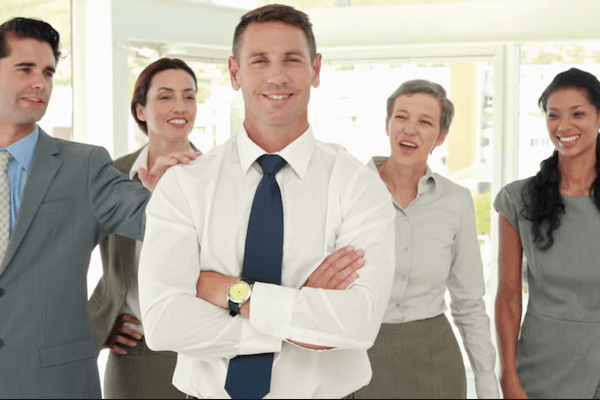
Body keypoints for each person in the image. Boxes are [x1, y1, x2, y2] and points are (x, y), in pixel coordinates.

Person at [138, 4, 396, 399]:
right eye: (259, 60)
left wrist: (231, 292)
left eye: (292, 60)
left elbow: (358, 324)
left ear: (316, 69)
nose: (276, 76)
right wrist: (302, 322)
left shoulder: (359, 186)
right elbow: (164, 325)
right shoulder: (184, 186)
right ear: (235, 72)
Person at [0, 17, 197, 398]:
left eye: (48, 72)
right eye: (25, 69)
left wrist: (160, 196)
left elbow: (161, 228)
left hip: (55, 383)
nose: (40, 82)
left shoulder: (84, 166)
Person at [356, 79, 499, 399]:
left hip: (436, 358)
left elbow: (468, 301)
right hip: (358, 355)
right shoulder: (350, 190)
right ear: (387, 124)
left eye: (425, 122)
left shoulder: (456, 200)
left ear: (442, 135)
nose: (410, 129)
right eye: (401, 117)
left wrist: (485, 373)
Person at [89, 58, 202, 399]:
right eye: (166, 96)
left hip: (201, 348)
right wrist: (94, 327)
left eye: (189, 96)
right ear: (140, 110)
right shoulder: (111, 176)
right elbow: (64, 256)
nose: (180, 106)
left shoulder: (217, 176)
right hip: (135, 353)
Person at [495, 67, 600, 399]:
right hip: (541, 371)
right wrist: (508, 378)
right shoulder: (518, 200)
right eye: (553, 115)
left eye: (577, 114)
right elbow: (509, 295)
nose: (563, 126)